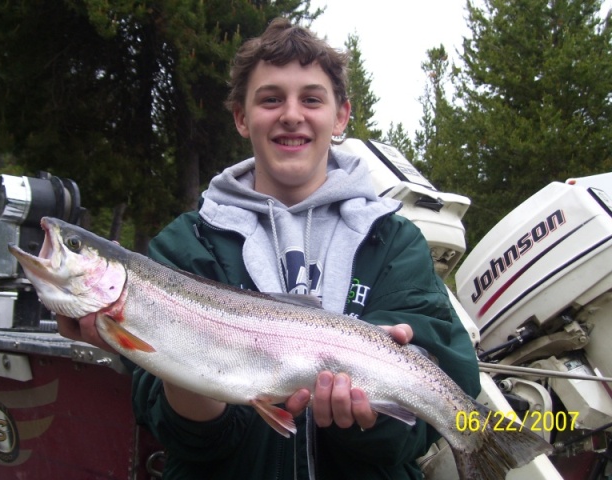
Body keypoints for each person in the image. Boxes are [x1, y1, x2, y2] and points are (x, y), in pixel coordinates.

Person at [57, 17, 480, 479]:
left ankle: (485, 443)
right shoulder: (184, 245)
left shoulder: (394, 241)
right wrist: (187, 373)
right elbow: (178, 435)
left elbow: (412, 432)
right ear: (241, 117)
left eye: (311, 99)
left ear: (341, 116)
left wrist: (371, 418)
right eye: (271, 98)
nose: (292, 114)